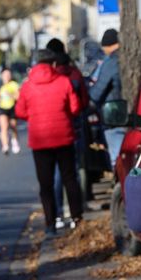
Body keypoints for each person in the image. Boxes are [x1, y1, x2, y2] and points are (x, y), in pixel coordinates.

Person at [15, 49, 82, 236]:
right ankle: (76, 218)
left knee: (46, 184)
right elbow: (75, 107)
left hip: (40, 140)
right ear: (53, 64)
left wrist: (35, 116)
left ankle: (50, 223)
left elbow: (20, 111)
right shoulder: (64, 81)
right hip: (64, 136)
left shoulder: (28, 86)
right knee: (69, 178)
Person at [46, 38, 89, 229]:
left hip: (49, 132)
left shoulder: (51, 77)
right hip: (74, 128)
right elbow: (82, 102)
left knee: (54, 175)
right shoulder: (75, 75)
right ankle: (76, 214)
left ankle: (57, 215)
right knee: (73, 173)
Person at [89, 28, 124, 169]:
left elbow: (98, 91)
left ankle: (121, 186)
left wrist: (89, 99)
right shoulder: (124, 58)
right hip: (127, 113)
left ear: (107, 45)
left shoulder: (111, 62)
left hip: (115, 115)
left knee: (117, 158)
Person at [0, 68, 21, 155]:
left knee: (13, 126)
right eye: (5, 75)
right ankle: (5, 146)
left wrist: (11, 95)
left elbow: (18, 96)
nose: (7, 77)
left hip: (12, 107)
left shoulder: (14, 85)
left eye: (8, 75)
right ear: (2, 76)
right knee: (3, 127)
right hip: (3, 108)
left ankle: (14, 140)